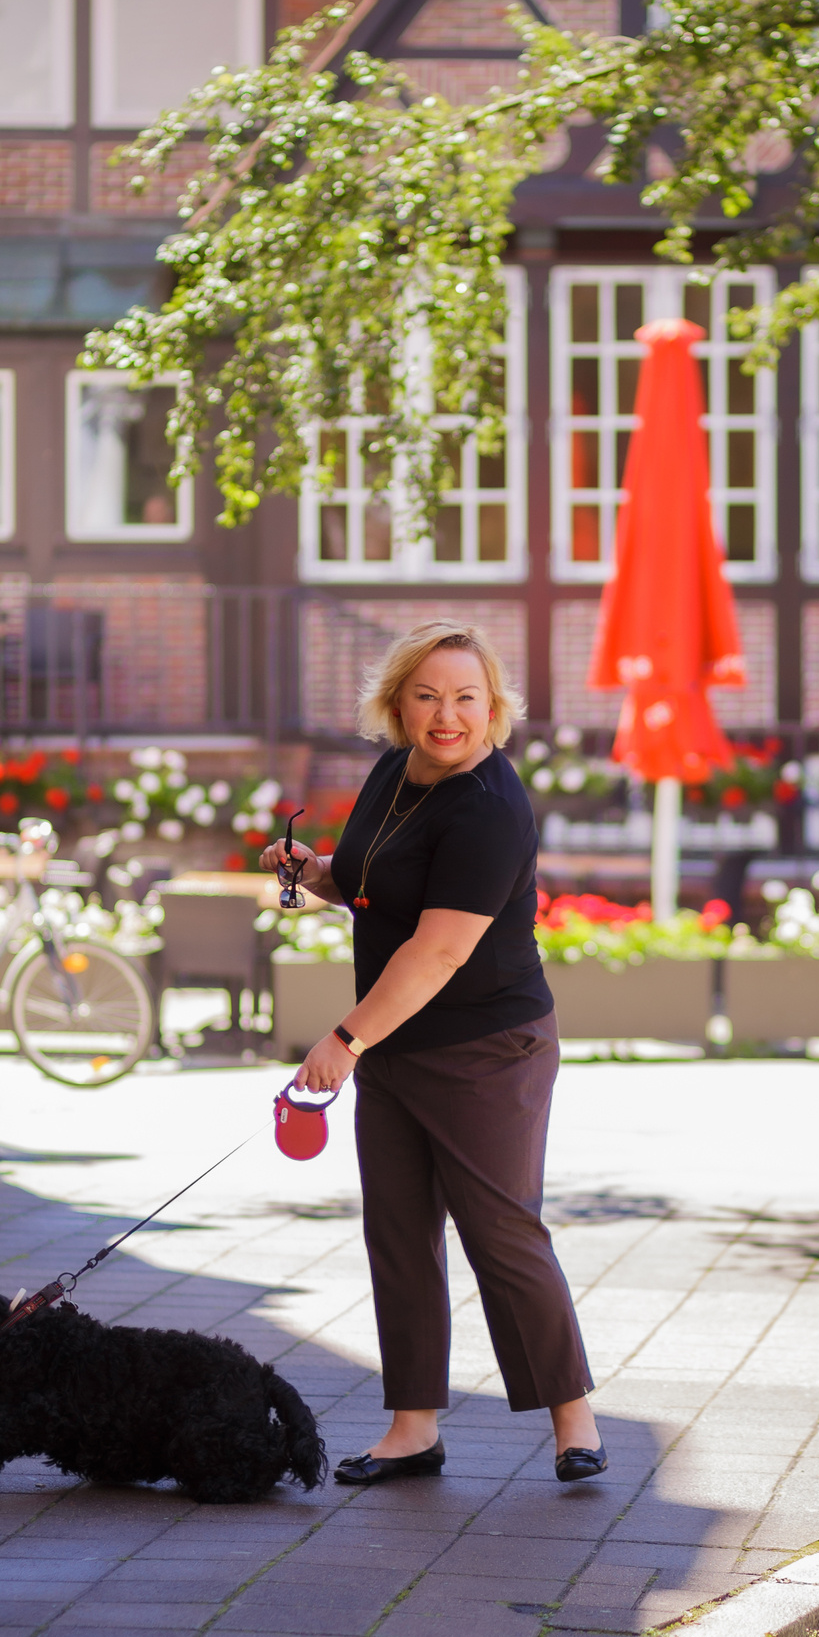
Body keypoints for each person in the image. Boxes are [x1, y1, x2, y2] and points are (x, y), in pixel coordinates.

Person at [260, 620, 604, 1487]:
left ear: (493, 709)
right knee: (399, 1233)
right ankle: (412, 1427)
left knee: (502, 1232)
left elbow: (438, 950)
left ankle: (574, 1421)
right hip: (398, 1043)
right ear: (398, 704)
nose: (446, 716)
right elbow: (379, 885)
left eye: (465, 699)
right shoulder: (392, 772)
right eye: (427, 696)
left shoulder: (490, 807)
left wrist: (344, 1039)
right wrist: (318, 869)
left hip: (488, 1047)